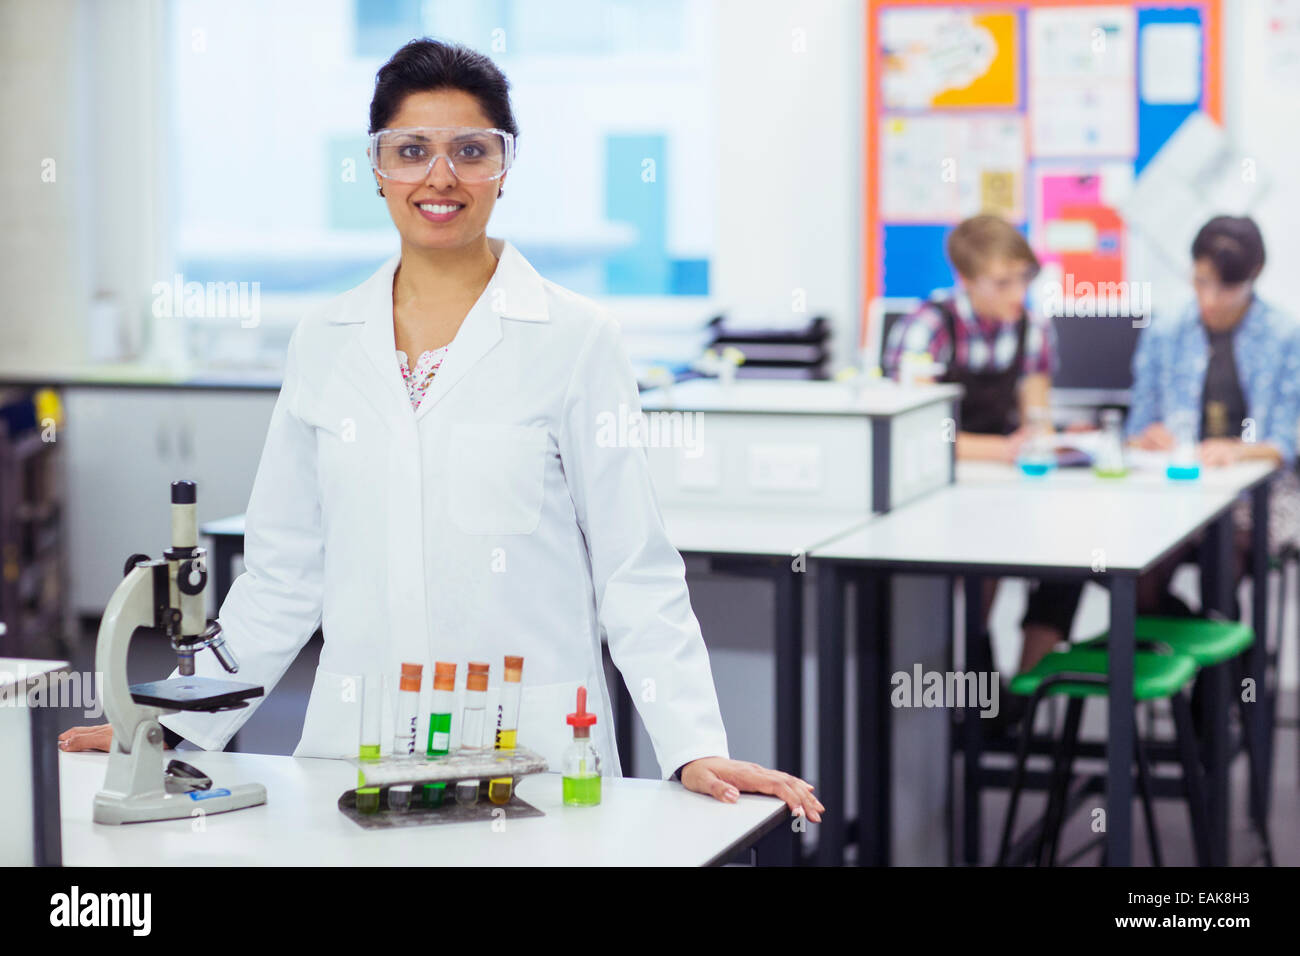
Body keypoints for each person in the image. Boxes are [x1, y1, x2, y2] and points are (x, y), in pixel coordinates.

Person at [59, 38, 823, 823]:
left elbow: (634, 567)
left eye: (471, 150)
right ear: (376, 166)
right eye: (412, 150)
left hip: (531, 753)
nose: (441, 176)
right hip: (355, 751)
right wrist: (172, 728)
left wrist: (693, 744)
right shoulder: (325, 338)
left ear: (505, 166)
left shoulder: (575, 338)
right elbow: (284, 574)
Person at [883, 214, 1081, 676]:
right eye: (1003, 282)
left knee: (1071, 557)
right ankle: (971, 668)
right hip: (934, 492)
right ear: (967, 280)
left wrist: (1049, 439)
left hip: (999, 487)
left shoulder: (1032, 329)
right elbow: (915, 434)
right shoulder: (926, 329)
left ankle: (1023, 693)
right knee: (976, 564)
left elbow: (1036, 417)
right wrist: (1002, 449)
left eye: (1024, 278)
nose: (1018, 293)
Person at [1127, 215, 1300, 610]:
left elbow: (1284, 445)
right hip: (1176, 490)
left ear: (1254, 275)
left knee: (1221, 549)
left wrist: (1238, 450)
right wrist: (1148, 437)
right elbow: (1136, 427)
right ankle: (1175, 636)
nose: (1211, 299)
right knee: (1138, 558)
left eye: (1227, 288)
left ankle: (1219, 643)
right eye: (1202, 281)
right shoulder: (1166, 330)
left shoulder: (1283, 334)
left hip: (1254, 495)